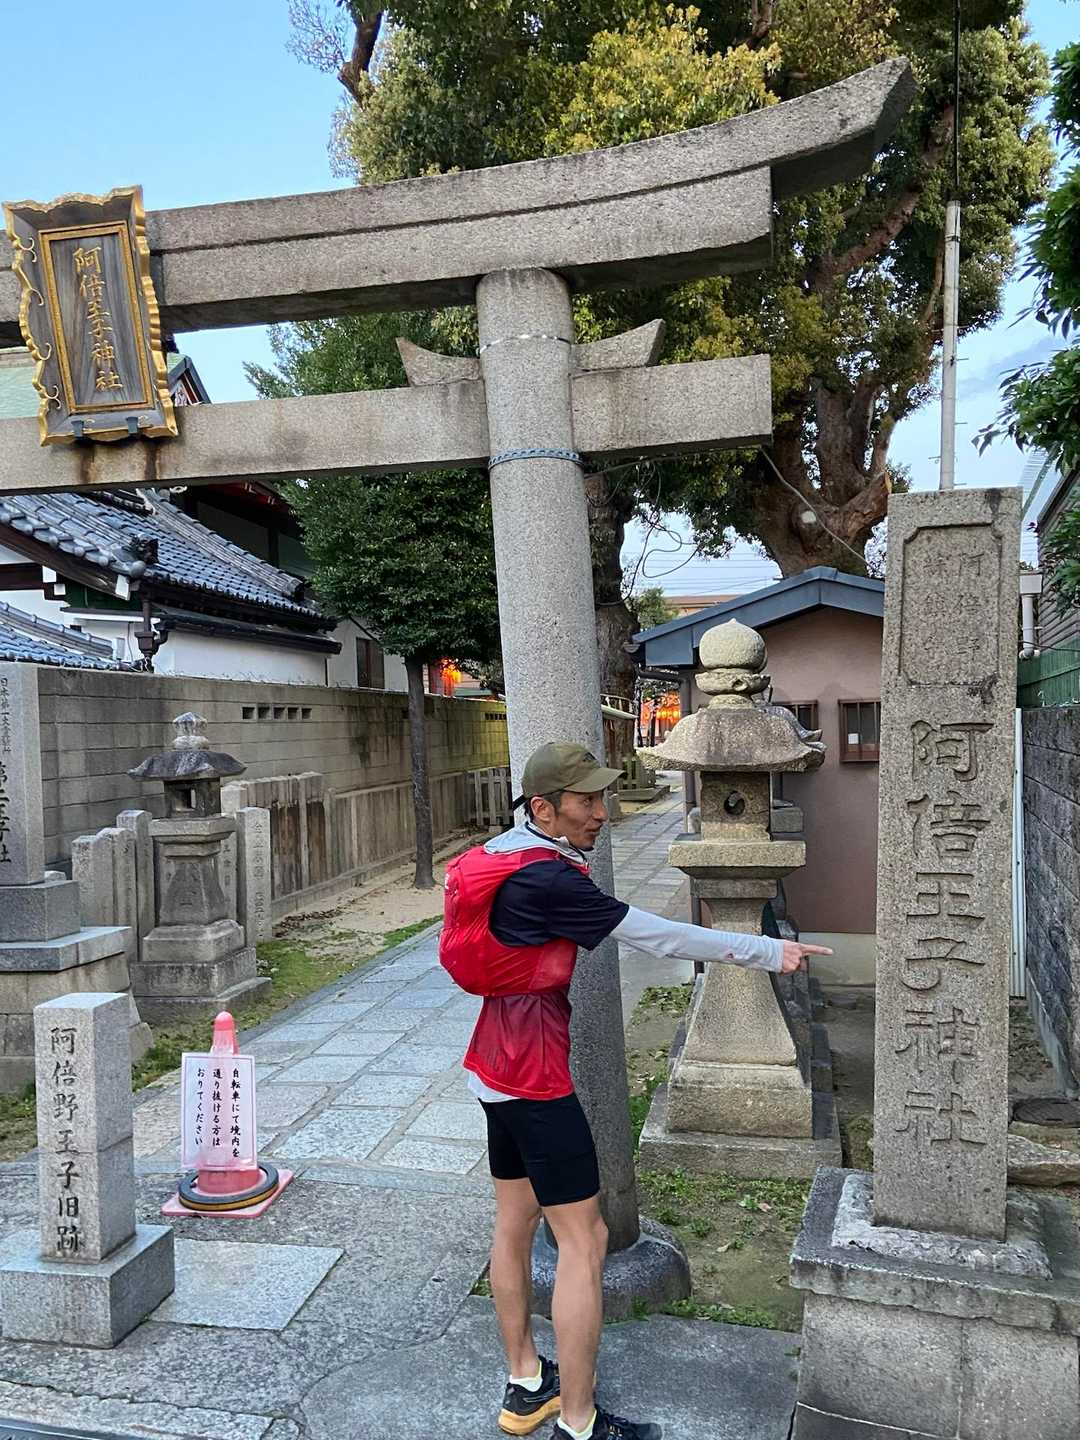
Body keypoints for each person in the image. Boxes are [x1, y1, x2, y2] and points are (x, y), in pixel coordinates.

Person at [439, 742, 831, 1440]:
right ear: (544, 808)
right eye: (586, 800)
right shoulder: (550, 880)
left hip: (493, 1065)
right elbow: (657, 938)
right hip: (535, 1077)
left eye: (602, 796)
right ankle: (579, 1421)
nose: (601, 812)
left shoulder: (507, 854)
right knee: (584, 1239)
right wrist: (769, 950)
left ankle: (526, 1382)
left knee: (513, 1224)